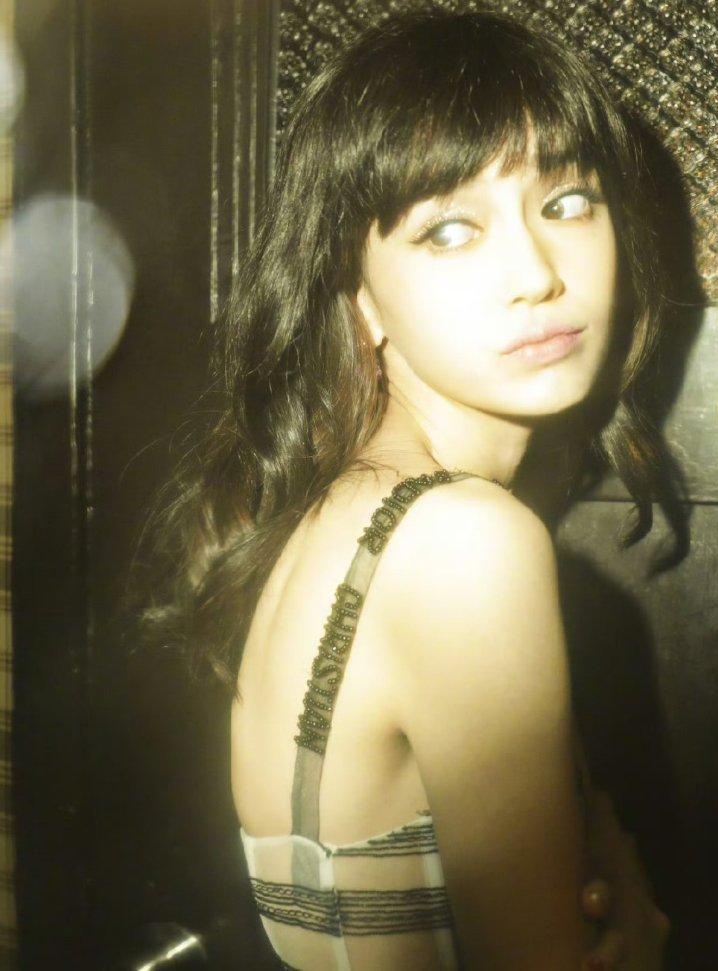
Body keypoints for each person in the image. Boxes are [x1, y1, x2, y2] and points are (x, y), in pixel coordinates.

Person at [133, 8, 670, 969]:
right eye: (450, 229)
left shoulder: (344, 510)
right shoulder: (463, 543)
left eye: (566, 202)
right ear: (358, 295)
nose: (537, 274)